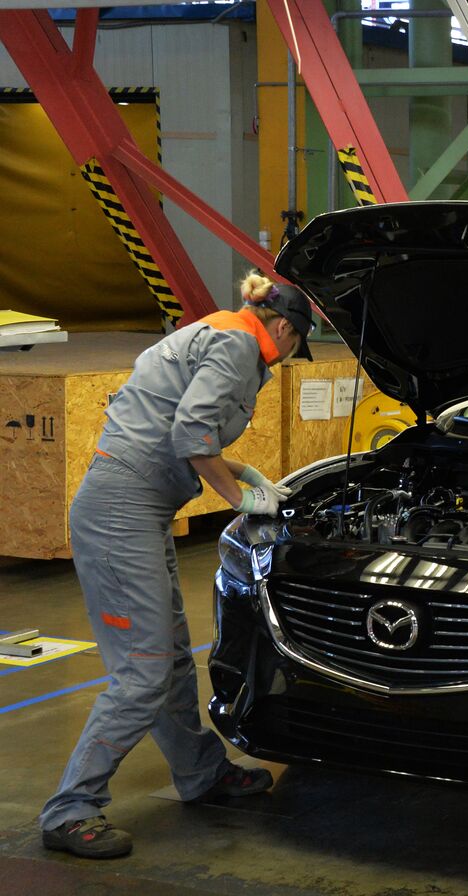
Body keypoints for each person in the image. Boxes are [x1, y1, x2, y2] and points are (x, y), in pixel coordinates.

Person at [38, 272, 315, 859]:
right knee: (143, 668)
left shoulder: (219, 331)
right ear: (285, 329)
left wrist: (246, 474)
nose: (290, 356)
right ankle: (70, 810)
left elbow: (172, 426)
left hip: (137, 508)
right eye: (296, 346)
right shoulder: (239, 344)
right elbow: (192, 432)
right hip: (121, 512)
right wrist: (239, 498)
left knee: (169, 657)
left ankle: (200, 773)